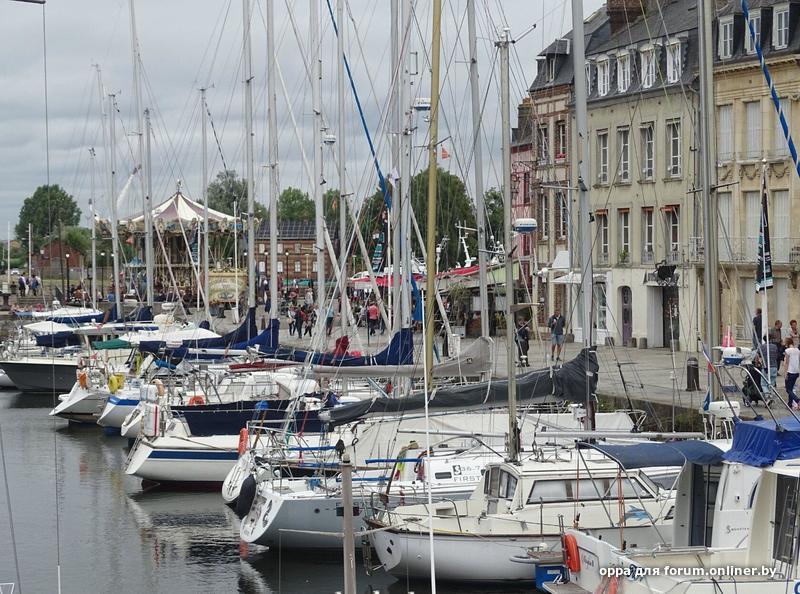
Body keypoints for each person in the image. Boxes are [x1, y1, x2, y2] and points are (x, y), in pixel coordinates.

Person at [784, 337, 800, 409]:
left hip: (790, 371)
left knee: (788, 389)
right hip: (796, 371)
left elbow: (786, 363)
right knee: (791, 388)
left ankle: (797, 400)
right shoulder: (797, 350)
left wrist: (785, 373)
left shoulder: (787, 351)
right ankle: (789, 404)